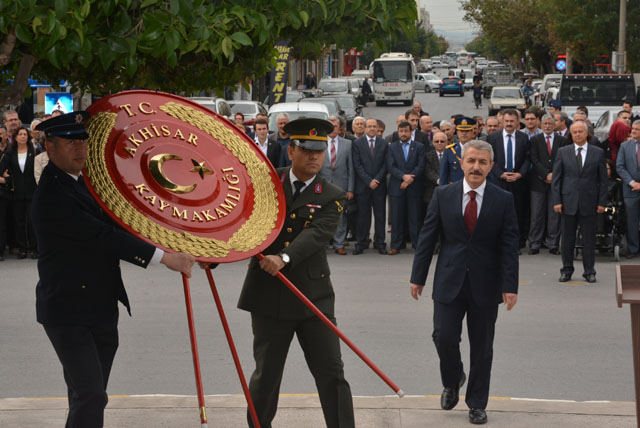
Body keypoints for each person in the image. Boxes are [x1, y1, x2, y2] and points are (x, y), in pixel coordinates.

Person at [31, 111, 195, 428]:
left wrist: (181, 240)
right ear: (50, 148)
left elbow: (122, 221)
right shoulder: (52, 195)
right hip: (69, 312)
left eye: (82, 141)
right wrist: (165, 258)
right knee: (91, 396)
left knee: (86, 396)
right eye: (69, 142)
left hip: (99, 308)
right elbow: (103, 236)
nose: (79, 149)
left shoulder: (84, 183)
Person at [237, 117, 355, 428]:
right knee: (267, 375)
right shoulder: (267, 184)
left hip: (312, 299)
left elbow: (316, 234)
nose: (314, 156)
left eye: (319, 150)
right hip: (268, 297)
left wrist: (284, 257)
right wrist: (215, 254)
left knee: (332, 372)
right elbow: (241, 222)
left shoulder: (332, 195)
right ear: (292, 151)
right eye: (307, 150)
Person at [410, 139, 519, 426]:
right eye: (471, 161)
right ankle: (452, 378)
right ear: (461, 163)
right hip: (449, 279)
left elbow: (509, 245)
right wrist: (417, 277)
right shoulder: (443, 195)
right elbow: (427, 237)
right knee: (442, 337)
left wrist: (510, 285)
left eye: (482, 162)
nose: (476, 167)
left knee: (482, 347)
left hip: (486, 283)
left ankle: (477, 404)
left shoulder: (502, 199)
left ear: (491, 167)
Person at [552, 121, 607, 283]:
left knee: (589, 240)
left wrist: (601, 203)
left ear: (587, 133)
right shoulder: (563, 152)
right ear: (571, 134)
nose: (577, 134)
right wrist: (557, 201)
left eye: (580, 132)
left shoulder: (597, 153)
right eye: (574, 132)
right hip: (567, 202)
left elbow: (603, 181)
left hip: (589, 202)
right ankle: (566, 270)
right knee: (567, 240)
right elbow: (557, 179)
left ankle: (589, 271)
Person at [487, 109, 530, 250]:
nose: (509, 124)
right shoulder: (493, 137)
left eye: (512, 121)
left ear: (517, 122)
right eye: (507, 121)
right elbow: (491, 160)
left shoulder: (523, 138)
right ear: (502, 122)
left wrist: (520, 174)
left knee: (517, 212)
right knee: (498, 212)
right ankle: (498, 242)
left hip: (518, 181)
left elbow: (527, 159)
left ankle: (515, 244)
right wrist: (501, 174)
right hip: (500, 181)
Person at [528, 114, 568, 255]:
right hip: (538, 182)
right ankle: (535, 243)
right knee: (537, 214)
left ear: (554, 125)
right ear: (541, 125)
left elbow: (562, 160)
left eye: (550, 123)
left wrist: (553, 175)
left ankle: (553, 244)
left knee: (554, 215)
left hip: (556, 183)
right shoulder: (535, 140)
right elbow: (534, 158)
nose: (548, 126)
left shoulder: (562, 140)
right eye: (545, 123)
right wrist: (545, 174)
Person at [387, 121, 425, 254]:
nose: (403, 134)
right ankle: (396, 245)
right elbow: (391, 166)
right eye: (401, 131)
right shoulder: (392, 147)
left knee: (415, 218)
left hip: (414, 187)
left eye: (406, 131)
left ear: (411, 132)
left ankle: (417, 245)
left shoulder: (419, 147)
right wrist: (403, 177)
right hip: (397, 187)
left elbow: (421, 166)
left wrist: (409, 180)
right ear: (398, 132)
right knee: (397, 218)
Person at [319, 116, 355, 255]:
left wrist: (350, 188)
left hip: (341, 185)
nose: (333, 129)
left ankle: (339, 244)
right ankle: (323, 243)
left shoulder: (347, 144)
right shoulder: (320, 143)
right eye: (330, 126)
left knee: (340, 216)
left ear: (340, 128)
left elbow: (350, 168)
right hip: (324, 185)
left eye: (335, 126)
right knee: (323, 216)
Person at [352, 118, 388, 254]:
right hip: (363, 186)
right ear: (365, 128)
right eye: (369, 126)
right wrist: (368, 181)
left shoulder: (384, 144)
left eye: (374, 126)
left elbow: (386, 164)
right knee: (363, 216)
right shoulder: (357, 144)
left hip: (379, 186)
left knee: (380, 215)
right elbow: (357, 165)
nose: (372, 129)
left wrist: (376, 180)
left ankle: (380, 243)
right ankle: (361, 243)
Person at [6, 126, 38, 259]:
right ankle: (22, 248)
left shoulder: (33, 151)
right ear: (15, 137)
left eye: (25, 134)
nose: (23, 136)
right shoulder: (10, 153)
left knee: (31, 221)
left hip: (31, 191)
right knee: (18, 221)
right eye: (20, 134)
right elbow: (8, 171)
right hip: (17, 192)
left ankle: (33, 247)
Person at [615, 119, 640, 258]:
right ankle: (633, 249)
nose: (633, 131)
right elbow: (620, 166)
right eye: (633, 129)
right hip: (630, 189)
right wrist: (632, 182)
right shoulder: (625, 146)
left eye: (637, 129)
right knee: (632, 220)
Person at [439, 117, 476, 185]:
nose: (464, 133)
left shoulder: (479, 149)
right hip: (454, 190)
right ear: (457, 132)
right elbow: (443, 175)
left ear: (472, 132)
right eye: (461, 131)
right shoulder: (449, 151)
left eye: (467, 131)